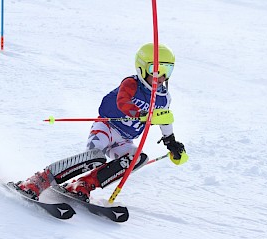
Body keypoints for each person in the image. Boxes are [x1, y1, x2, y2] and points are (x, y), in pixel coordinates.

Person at [16, 43, 186, 201]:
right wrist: (141, 113)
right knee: (95, 157)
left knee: (138, 158)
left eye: (167, 70)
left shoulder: (164, 98)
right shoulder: (131, 84)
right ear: (142, 68)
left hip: (124, 139)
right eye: (155, 70)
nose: (161, 76)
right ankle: (39, 180)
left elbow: (165, 119)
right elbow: (122, 102)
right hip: (106, 127)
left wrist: (171, 143)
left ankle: (83, 184)